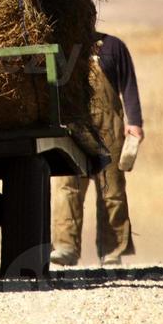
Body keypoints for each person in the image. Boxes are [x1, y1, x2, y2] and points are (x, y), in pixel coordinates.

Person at [51, 31, 143, 266]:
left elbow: (129, 87)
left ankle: (112, 250)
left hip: (108, 130)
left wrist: (134, 123)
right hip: (73, 128)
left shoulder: (114, 47)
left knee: (112, 190)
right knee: (66, 186)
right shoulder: (63, 45)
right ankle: (65, 248)